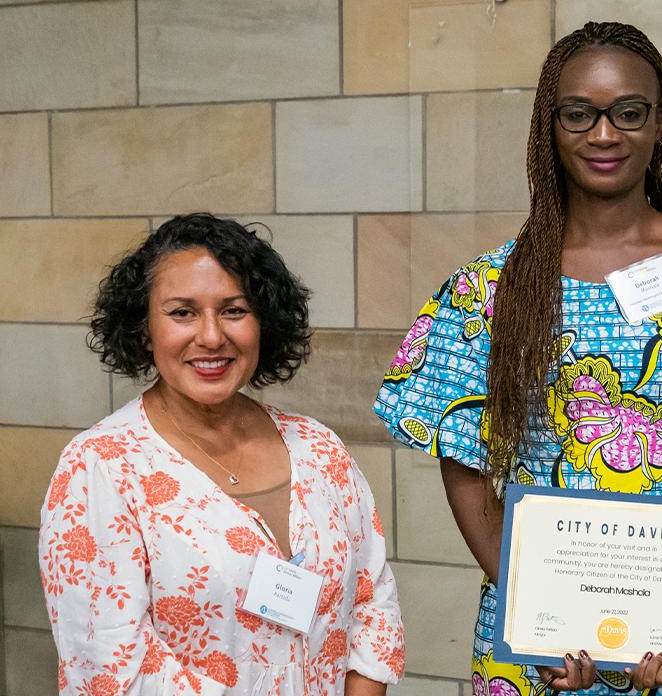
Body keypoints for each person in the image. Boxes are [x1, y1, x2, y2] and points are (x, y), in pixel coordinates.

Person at [373, 21, 662, 695]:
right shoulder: (489, 289)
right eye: (579, 113)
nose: (604, 134)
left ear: (660, 123)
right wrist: (536, 607)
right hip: (538, 648)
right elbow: (466, 465)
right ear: (550, 124)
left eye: (629, 112)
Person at [40, 214, 404, 695]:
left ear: (263, 322)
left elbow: (372, 606)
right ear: (144, 329)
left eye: (233, 310)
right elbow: (113, 669)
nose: (211, 336)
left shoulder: (319, 449)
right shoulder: (100, 468)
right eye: (182, 313)